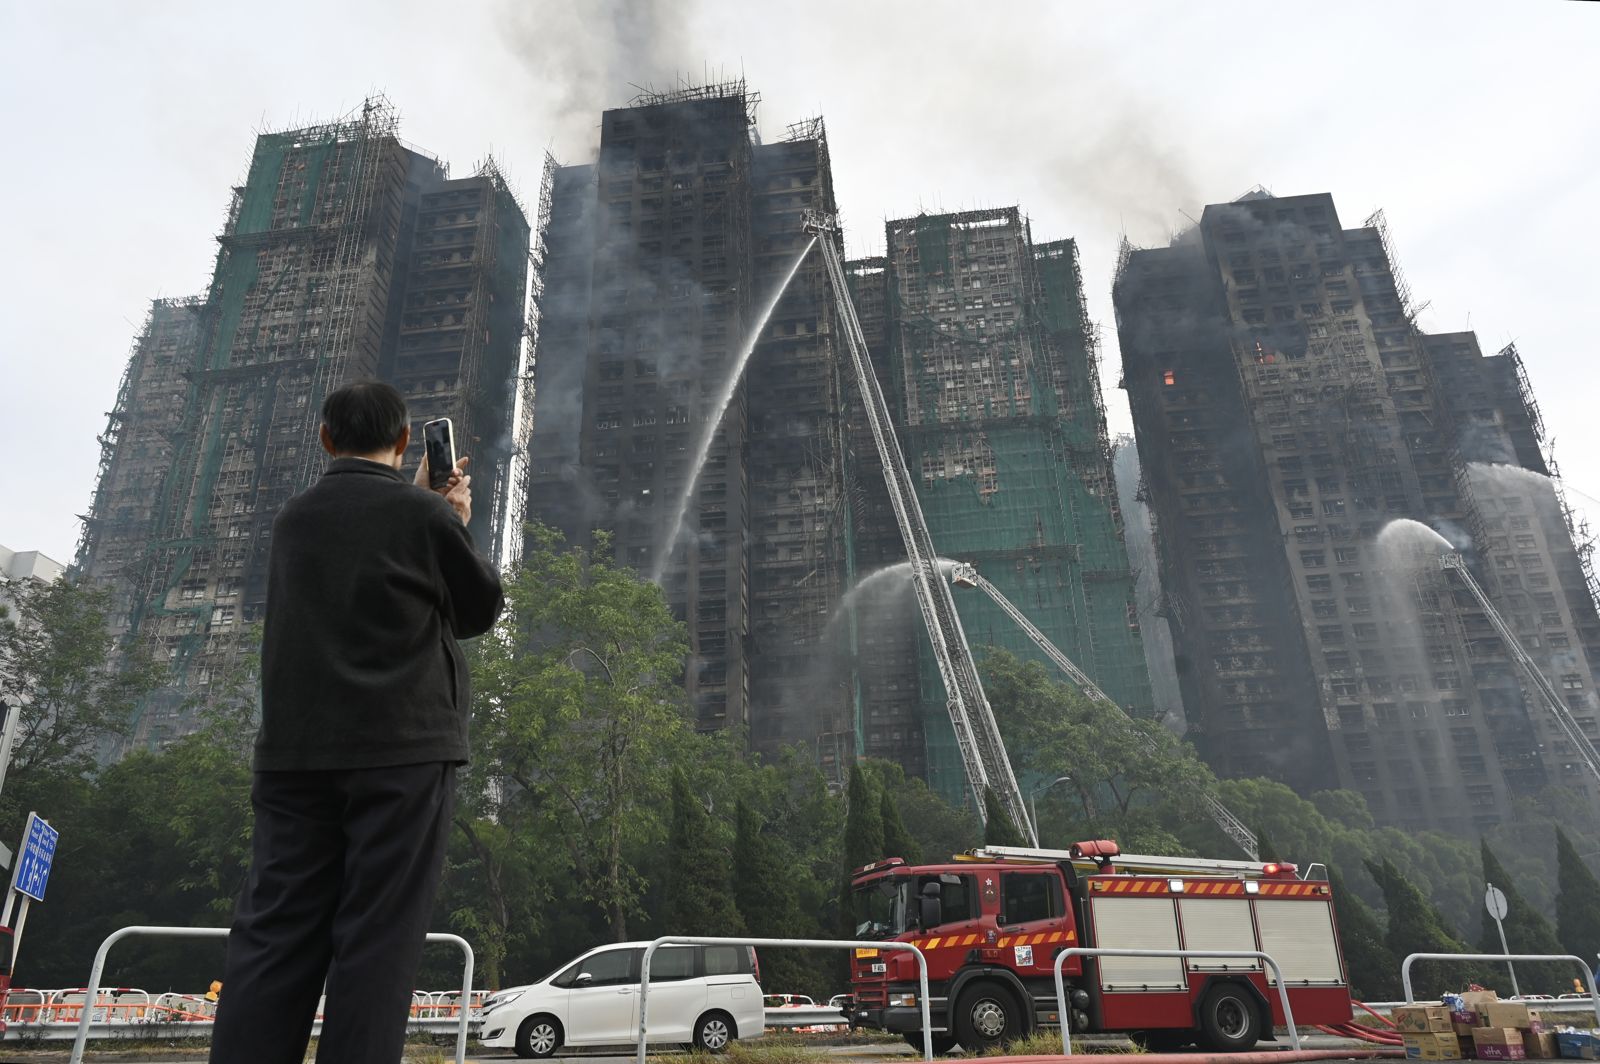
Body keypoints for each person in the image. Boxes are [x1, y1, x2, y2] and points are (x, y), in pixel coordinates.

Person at [209, 380, 504, 1064]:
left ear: (325, 438)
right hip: (403, 754)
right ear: (403, 441)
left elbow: (353, 578)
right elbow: (477, 610)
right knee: (378, 941)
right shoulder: (425, 517)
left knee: (273, 935)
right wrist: (450, 519)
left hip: (294, 758)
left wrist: (421, 510)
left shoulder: (294, 519)